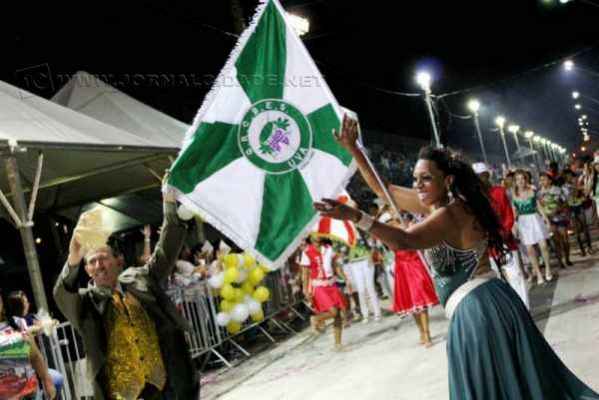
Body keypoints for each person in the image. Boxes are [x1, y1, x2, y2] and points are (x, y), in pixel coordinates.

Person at [315, 115, 599, 399]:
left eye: (427, 178)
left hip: (480, 311)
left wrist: (356, 216)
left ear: (447, 180)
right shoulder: (440, 206)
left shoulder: (450, 213)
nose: (419, 186)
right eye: (415, 180)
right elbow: (383, 190)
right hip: (481, 307)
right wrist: (354, 150)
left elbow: (405, 241)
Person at [53, 186, 199, 399]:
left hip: (166, 385)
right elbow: (62, 293)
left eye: (103, 258)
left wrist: (168, 204)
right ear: (86, 270)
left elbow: (166, 249)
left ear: (118, 261)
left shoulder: (141, 278)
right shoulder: (84, 304)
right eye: (91, 262)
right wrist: (73, 257)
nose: (98, 264)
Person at [473, 162, 529, 308]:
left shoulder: (499, 191)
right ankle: (508, 309)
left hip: (505, 242)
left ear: (488, 176)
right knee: (496, 279)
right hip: (488, 247)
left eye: (483, 176)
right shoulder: (473, 199)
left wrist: (502, 234)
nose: (481, 180)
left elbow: (509, 215)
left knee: (515, 275)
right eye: (477, 178)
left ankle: (524, 307)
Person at [4, 290, 65, 396]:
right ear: (18, 305)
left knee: (56, 379)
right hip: (19, 377)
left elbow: (36, 356)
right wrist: (38, 327)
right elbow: (27, 331)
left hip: (31, 372)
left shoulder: (25, 319)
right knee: (56, 379)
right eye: (25, 302)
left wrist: (47, 324)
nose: (28, 304)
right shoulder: (14, 322)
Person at [392, 213, 439, 347]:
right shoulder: (391, 234)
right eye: (394, 219)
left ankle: (427, 333)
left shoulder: (415, 229)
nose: (397, 221)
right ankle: (421, 332)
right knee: (411, 305)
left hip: (415, 267)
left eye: (398, 219)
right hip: (402, 270)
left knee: (421, 302)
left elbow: (423, 246)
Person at [303, 238, 347, 350]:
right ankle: (315, 319)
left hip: (332, 284)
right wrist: (305, 290)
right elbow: (305, 274)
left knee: (338, 315)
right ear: (310, 236)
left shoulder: (328, 249)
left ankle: (338, 344)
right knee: (333, 311)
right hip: (319, 286)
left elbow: (334, 265)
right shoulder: (307, 252)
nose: (317, 235)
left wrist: (344, 277)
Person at [512, 169, 552, 285]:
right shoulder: (514, 195)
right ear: (515, 181)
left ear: (526, 179)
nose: (520, 181)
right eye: (518, 179)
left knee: (543, 245)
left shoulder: (532, 191)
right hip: (523, 222)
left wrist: (546, 219)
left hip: (535, 219)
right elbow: (514, 212)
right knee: (530, 250)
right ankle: (539, 274)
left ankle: (548, 269)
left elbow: (538, 206)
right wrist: (514, 226)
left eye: (522, 178)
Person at [538, 172, 571, 270]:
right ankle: (560, 261)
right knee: (556, 241)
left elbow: (565, 203)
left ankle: (567, 258)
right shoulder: (539, 193)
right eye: (541, 180)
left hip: (560, 217)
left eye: (544, 179)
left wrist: (558, 209)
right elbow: (539, 206)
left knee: (565, 239)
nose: (542, 182)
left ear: (550, 180)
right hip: (549, 220)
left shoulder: (557, 190)